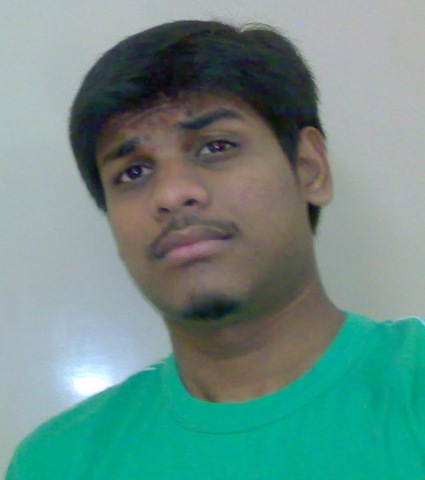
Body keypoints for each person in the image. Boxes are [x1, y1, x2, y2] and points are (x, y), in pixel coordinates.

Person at [6, 20, 424, 479]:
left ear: (309, 169)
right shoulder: (56, 463)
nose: (172, 194)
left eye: (216, 146)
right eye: (133, 172)